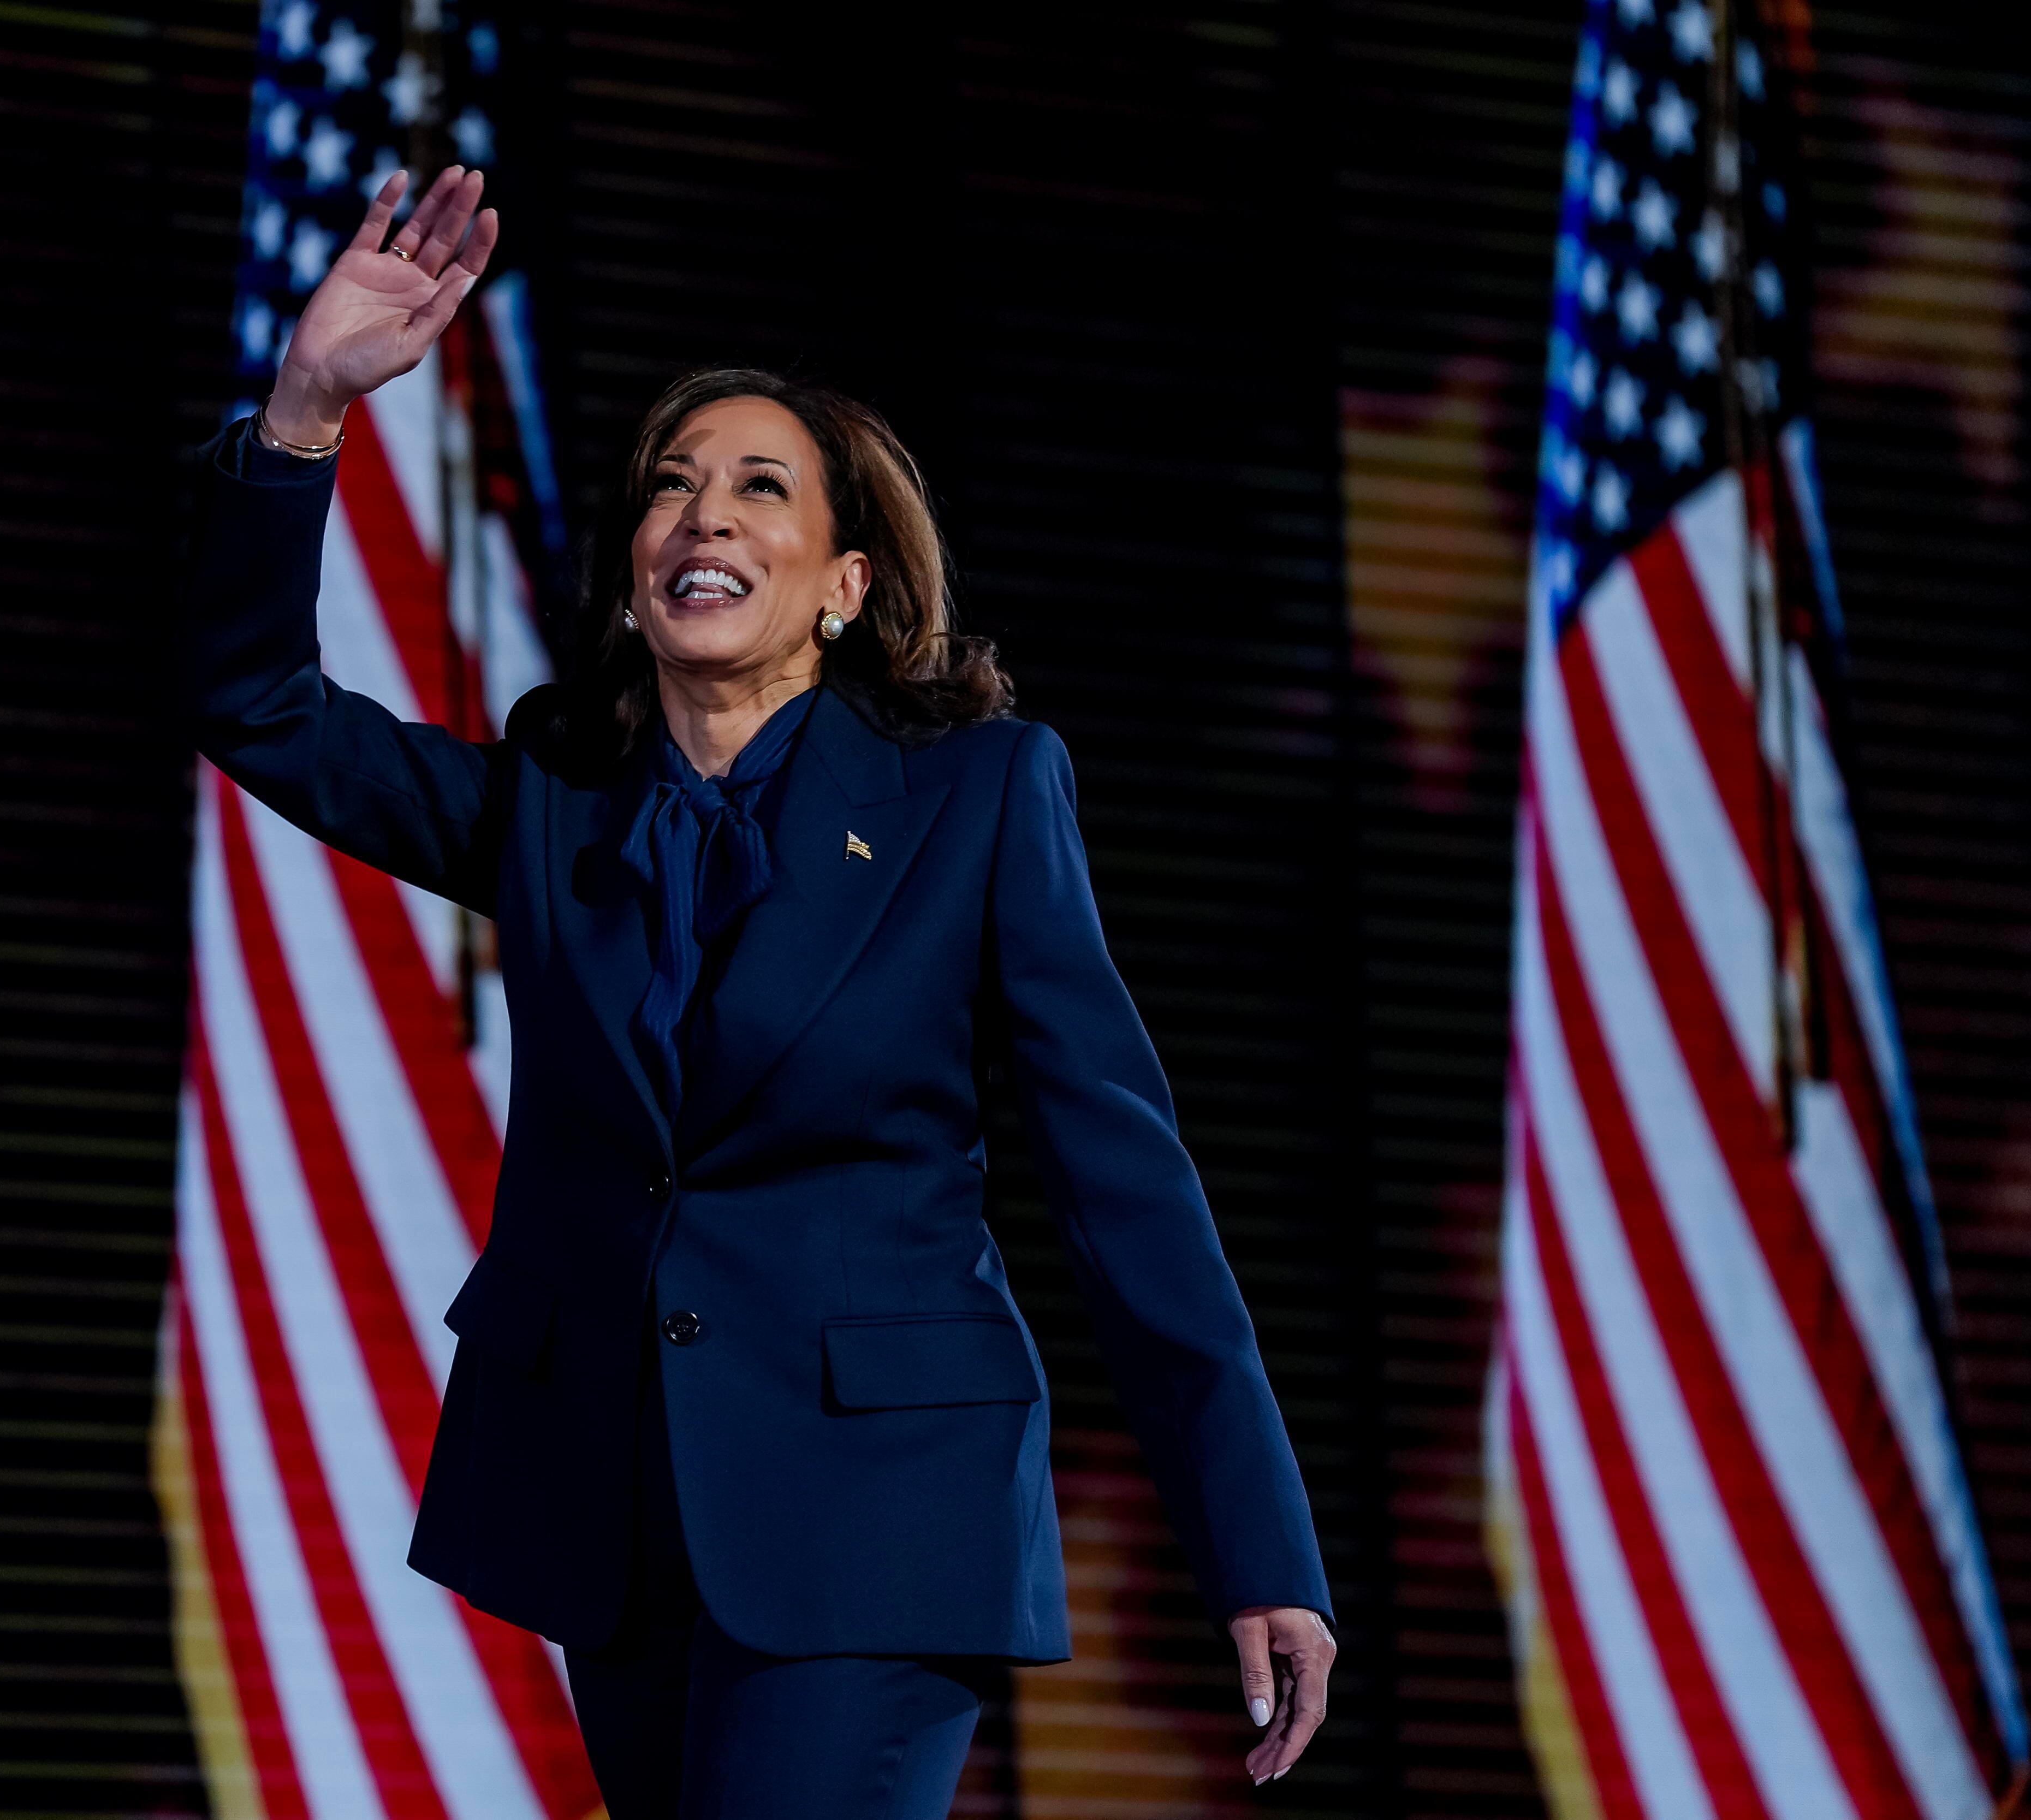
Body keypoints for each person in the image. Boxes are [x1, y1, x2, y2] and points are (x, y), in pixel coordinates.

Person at [188, 163, 1335, 1818]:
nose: (703, 515)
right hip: (622, 1513)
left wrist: (1257, 1546)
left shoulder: (981, 799)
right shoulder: (555, 806)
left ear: (845, 585)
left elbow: (1127, 1189)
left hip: (876, 1517)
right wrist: (305, 410)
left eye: (757, 489)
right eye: (672, 486)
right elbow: (259, 707)